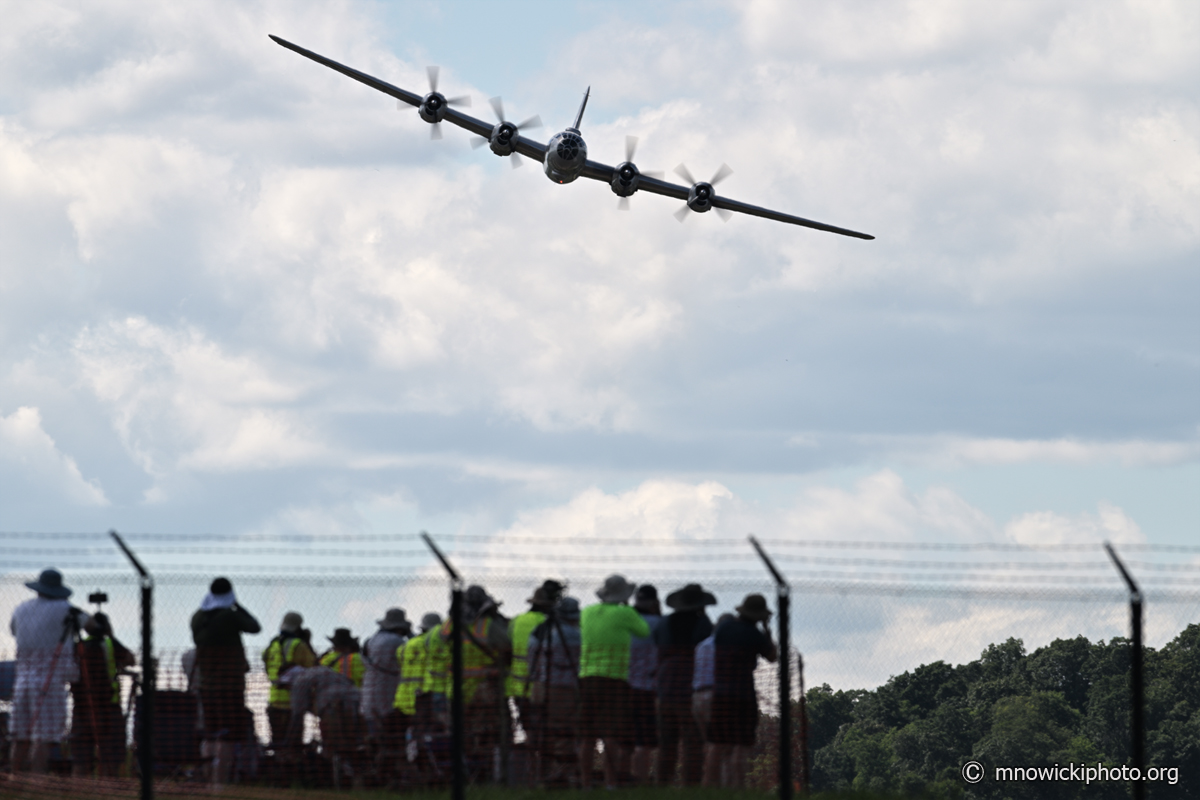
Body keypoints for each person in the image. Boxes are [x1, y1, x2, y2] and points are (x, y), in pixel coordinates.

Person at [9, 568, 88, 774]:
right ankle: (38, 782)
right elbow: (92, 625)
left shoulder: (21, 609)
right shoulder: (66, 609)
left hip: (22, 680)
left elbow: (13, 630)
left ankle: (14, 779)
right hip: (50, 680)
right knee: (43, 737)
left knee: (20, 735)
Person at [577, 574, 650, 789]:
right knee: (611, 734)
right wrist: (626, 608)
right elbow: (643, 631)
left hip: (587, 677)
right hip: (614, 679)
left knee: (587, 736)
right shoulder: (625, 613)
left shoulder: (587, 612)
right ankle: (610, 782)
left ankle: (585, 783)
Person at [191, 576, 261, 787]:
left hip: (206, 684)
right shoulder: (228, 617)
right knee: (227, 736)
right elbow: (255, 627)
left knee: (210, 734)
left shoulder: (197, 617)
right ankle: (219, 783)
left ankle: (206, 776)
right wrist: (238, 606)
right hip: (229, 685)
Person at [709, 594, 778, 788]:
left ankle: (708, 787)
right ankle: (738, 788)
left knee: (717, 744)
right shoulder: (753, 634)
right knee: (741, 745)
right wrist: (766, 629)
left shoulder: (723, 628)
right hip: (743, 695)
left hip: (720, 693)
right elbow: (773, 656)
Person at [654, 583, 716, 786]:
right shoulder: (703, 623)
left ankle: (662, 783)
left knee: (666, 742)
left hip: (665, 685)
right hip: (689, 687)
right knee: (692, 742)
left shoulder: (664, 623)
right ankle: (690, 785)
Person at [70, 612, 135, 777]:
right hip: (109, 707)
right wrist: (111, 636)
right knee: (111, 756)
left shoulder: (77, 646)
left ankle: (78, 790)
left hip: (81, 707)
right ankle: (109, 790)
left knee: (81, 757)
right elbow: (131, 659)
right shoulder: (110, 643)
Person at [527, 596, 582, 787]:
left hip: (538, 686)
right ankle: (561, 774)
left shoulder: (540, 630)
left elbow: (530, 656)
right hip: (564, 688)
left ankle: (540, 772)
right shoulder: (575, 635)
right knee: (564, 730)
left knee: (541, 730)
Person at [282, 665, 364, 783]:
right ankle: (356, 772)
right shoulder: (322, 671)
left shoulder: (299, 681)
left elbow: (297, 716)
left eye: (286, 687)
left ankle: (333, 777)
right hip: (358, 701)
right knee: (356, 740)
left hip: (332, 706)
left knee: (334, 743)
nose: (287, 690)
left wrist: (288, 744)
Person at [507, 580, 561, 735]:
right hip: (541, 685)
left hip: (517, 685)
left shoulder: (517, 620)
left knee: (527, 729)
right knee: (544, 729)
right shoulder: (546, 623)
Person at [263, 611, 316, 747]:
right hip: (293, 701)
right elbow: (313, 667)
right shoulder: (298, 645)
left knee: (277, 743)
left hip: (274, 699)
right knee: (294, 745)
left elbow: (266, 663)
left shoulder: (272, 645)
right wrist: (308, 642)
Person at [628, 584, 663, 783]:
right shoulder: (659, 623)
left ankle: (621, 782)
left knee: (625, 739)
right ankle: (640, 782)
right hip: (649, 688)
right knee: (645, 741)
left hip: (624, 686)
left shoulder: (626, 622)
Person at [361, 608, 411, 743]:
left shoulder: (370, 641)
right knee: (393, 740)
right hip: (389, 697)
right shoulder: (397, 642)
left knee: (374, 738)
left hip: (368, 698)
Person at [695, 613, 732, 786]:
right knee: (721, 745)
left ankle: (711, 785)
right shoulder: (725, 646)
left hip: (696, 697)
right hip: (715, 697)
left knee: (709, 744)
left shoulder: (701, 646)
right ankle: (713, 786)